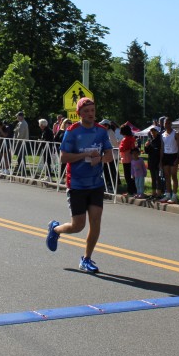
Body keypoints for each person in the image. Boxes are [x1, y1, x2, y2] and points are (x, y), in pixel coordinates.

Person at [45, 97, 113, 274]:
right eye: (86, 111)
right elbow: (63, 158)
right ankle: (55, 229)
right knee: (78, 226)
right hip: (76, 184)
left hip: (96, 183)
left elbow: (110, 155)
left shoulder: (101, 131)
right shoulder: (72, 131)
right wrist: (84, 156)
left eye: (93, 111)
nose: (91, 114)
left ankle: (86, 259)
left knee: (96, 221)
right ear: (79, 114)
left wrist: (100, 158)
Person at [118, 124, 137, 196]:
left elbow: (122, 148)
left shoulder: (126, 139)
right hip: (131, 158)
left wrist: (119, 147)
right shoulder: (131, 138)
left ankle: (130, 191)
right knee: (131, 175)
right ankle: (134, 190)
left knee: (127, 176)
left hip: (126, 159)